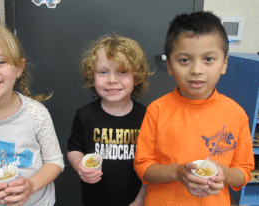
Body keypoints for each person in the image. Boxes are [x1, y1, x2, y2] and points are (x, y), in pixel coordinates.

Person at [134, 11, 255, 206]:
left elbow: (243, 172)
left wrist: (224, 174)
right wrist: (177, 172)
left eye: (208, 59)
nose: (196, 70)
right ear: (170, 65)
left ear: (224, 64)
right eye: (184, 60)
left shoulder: (236, 114)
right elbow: (143, 167)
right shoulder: (157, 110)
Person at [0, 22, 65, 206]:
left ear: (18, 68)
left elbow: (55, 162)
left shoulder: (36, 113)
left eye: (0, 61)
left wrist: (31, 185)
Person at [67, 34, 153, 206]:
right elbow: (74, 149)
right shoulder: (84, 115)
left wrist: (139, 201)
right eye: (103, 72)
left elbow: (151, 166)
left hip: (135, 200)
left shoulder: (147, 116)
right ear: (92, 77)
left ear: (136, 77)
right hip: (94, 201)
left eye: (122, 72)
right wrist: (79, 166)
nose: (112, 80)